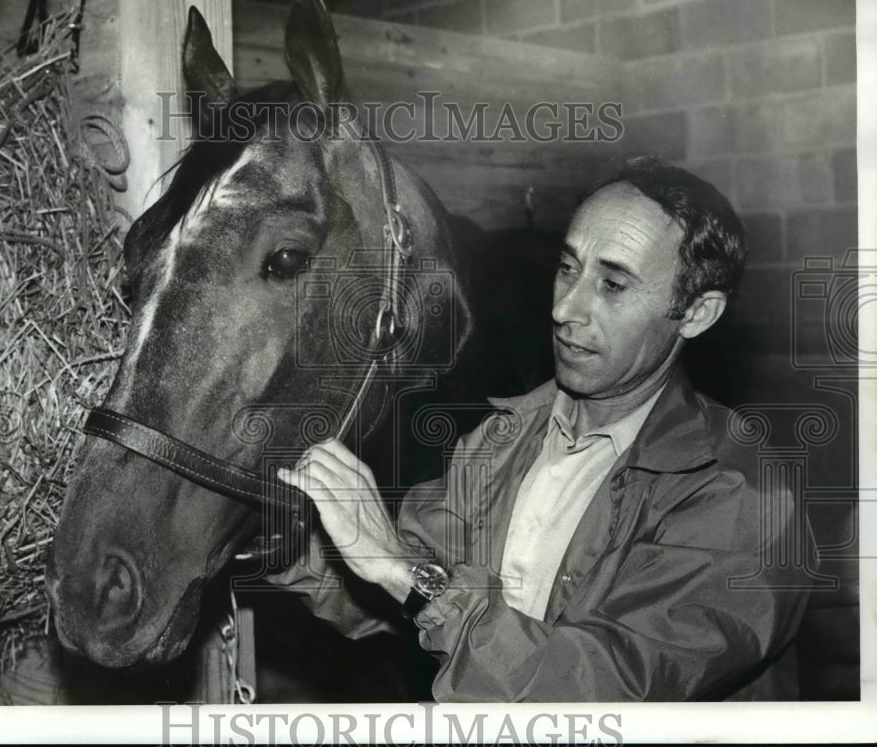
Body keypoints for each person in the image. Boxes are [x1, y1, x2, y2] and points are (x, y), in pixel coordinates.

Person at [273, 156, 815, 701]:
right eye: (568, 268)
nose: (565, 309)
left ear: (696, 313)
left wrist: (401, 570)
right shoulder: (504, 438)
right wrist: (272, 526)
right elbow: (389, 589)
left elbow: (598, 691)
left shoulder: (739, 491)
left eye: (613, 284)